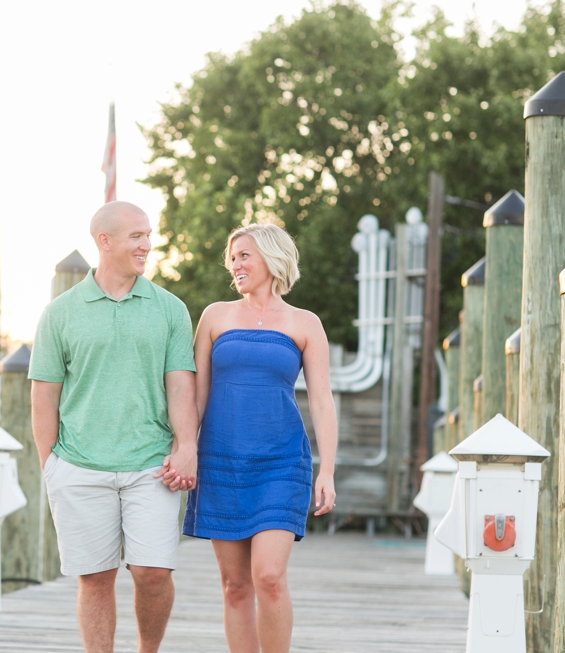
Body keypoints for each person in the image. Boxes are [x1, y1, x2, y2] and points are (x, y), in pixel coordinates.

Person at [29, 200, 198, 653]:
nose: (147, 244)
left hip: (151, 464)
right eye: (136, 236)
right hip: (79, 467)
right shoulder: (60, 313)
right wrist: (52, 466)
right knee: (96, 578)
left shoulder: (170, 309)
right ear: (105, 242)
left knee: (153, 573)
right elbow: (44, 396)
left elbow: (182, 386)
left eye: (148, 235)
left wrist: (187, 446)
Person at [178, 223, 338, 653]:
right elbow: (197, 392)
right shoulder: (215, 315)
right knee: (234, 586)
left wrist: (328, 471)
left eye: (244, 255)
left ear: (271, 256)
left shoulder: (305, 323)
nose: (235, 264)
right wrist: (185, 449)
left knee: (268, 578)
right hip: (221, 461)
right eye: (232, 257)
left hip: (281, 463)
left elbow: (322, 402)